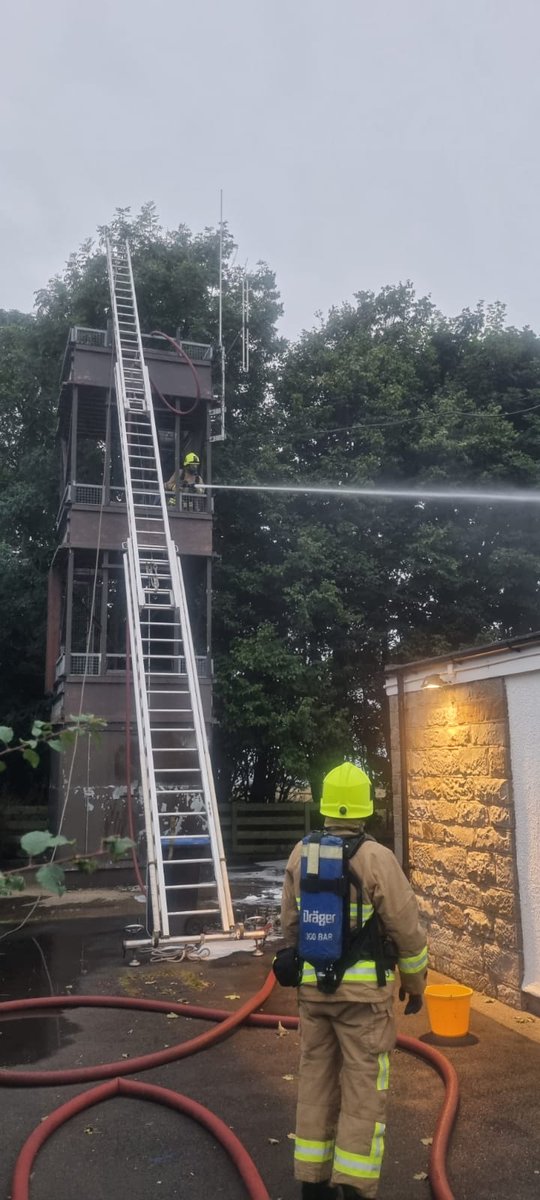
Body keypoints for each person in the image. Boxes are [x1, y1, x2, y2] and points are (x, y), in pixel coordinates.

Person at [279, 762, 427, 1200]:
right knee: (363, 1089)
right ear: (365, 808)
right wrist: (415, 984)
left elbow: (291, 927)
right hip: (365, 1003)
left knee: (316, 1083)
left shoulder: (300, 854)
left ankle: (312, 1181)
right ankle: (356, 1187)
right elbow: (407, 930)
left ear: (326, 806)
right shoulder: (377, 858)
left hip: (314, 994)